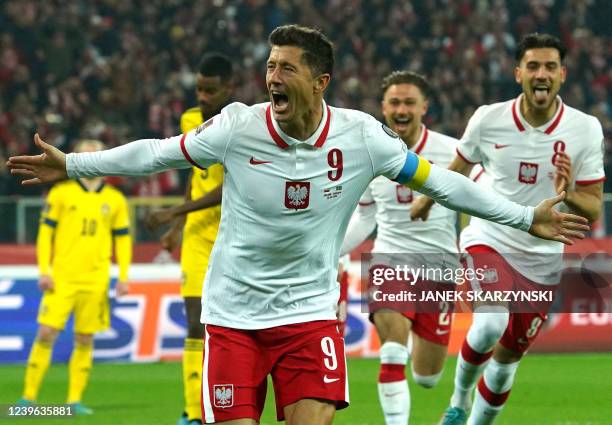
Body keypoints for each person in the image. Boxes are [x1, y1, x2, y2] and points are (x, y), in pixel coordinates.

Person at [8, 25, 589, 425]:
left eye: (286, 68)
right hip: (233, 315)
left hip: (309, 316)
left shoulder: (361, 136)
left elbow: (441, 181)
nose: (272, 77)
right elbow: (157, 154)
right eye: (269, 66)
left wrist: (522, 217)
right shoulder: (237, 126)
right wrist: (74, 163)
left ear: (320, 80)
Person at [409, 33, 605, 425]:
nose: (541, 73)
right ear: (518, 73)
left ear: (562, 75)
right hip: (490, 237)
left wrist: (569, 193)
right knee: (490, 323)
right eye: (533, 66)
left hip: (542, 255)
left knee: (507, 360)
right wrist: (427, 196)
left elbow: (594, 208)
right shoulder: (489, 118)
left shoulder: (585, 129)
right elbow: (460, 167)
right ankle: (459, 401)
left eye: (550, 66)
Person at [340, 70, 463, 424]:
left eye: (410, 102)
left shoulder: (451, 152)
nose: (402, 109)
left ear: (424, 107)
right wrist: (331, 251)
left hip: (439, 269)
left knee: (427, 377)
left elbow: (478, 202)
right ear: (383, 107)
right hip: (389, 260)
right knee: (392, 351)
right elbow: (364, 218)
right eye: (395, 102)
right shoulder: (369, 155)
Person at [145, 52, 233, 425]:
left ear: (228, 88)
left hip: (233, 233)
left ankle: (227, 402)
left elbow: (227, 189)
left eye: (210, 90)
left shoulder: (242, 124)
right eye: (198, 88)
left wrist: (173, 213)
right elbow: (196, 180)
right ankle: (192, 413)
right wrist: (178, 227)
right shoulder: (190, 120)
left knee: (228, 327)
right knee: (195, 322)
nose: (202, 95)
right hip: (197, 235)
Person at [17, 139, 132, 415]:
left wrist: (124, 277)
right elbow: (45, 234)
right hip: (62, 278)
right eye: (86, 155)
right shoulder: (61, 192)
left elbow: (123, 241)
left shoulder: (115, 199)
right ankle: (28, 398)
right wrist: (44, 270)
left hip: (96, 279)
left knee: (85, 339)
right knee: (46, 333)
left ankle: (73, 401)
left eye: (96, 155)